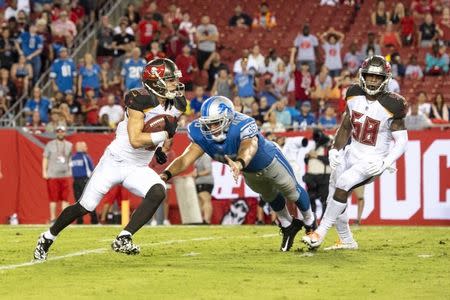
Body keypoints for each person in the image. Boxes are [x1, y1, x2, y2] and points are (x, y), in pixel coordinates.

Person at [33, 58, 187, 260]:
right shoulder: (139, 99)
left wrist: (160, 146)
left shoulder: (177, 104)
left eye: (174, 79)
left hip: (138, 166)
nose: (175, 83)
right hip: (115, 161)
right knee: (85, 206)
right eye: (169, 79)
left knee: (158, 191)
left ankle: (124, 237)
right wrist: (163, 137)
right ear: (155, 81)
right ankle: (47, 237)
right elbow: (135, 140)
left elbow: (165, 127)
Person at [160, 95, 316, 252]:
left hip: (270, 161)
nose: (211, 128)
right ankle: (288, 225)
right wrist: (166, 174)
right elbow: (185, 159)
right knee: (269, 196)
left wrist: (240, 163)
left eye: (216, 123)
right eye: (208, 123)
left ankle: (310, 223)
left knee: (292, 191)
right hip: (248, 171)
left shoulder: (242, 123)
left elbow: (249, 146)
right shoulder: (201, 133)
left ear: (227, 118)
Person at [302, 55, 408, 250]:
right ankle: (346, 240)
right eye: (369, 76)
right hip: (352, 152)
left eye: (377, 77)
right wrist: (335, 149)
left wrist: (386, 162)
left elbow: (402, 142)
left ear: (386, 79)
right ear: (362, 76)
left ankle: (319, 232)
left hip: (373, 159)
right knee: (333, 191)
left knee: (343, 183)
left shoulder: (394, 104)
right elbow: (345, 127)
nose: (373, 80)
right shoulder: (353, 93)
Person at [42, 126, 73, 223]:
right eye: (58, 131)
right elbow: (45, 158)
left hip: (65, 175)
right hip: (53, 175)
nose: (60, 133)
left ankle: (63, 220)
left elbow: (70, 160)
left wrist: (71, 171)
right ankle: (52, 218)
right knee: (53, 198)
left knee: (65, 198)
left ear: (65, 132)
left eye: (62, 131)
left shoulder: (69, 145)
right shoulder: (50, 144)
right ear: (56, 133)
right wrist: (44, 171)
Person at [303, 129, 332, 219]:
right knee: (310, 198)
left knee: (325, 200)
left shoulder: (329, 147)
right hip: (311, 176)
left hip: (324, 176)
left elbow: (330, 161)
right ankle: (313, 218)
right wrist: (307, 157)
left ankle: (325, 219)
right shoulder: (312, 146)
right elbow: (308, 162)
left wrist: (317, 156)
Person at [71, 141, 98, 224]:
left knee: (79, 201)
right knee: (87, 200)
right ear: (81, 147)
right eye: (85, 146)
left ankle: (85, 220)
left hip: (79, 181)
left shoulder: (73, 157)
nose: (86, 148)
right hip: (83, 181)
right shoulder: (85, 157)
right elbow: (92, 169)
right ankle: (93, 220)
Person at [192, 153, 214, 224]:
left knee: (206, 199)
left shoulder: (205, 157)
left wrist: (198, 174)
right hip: (199, 182)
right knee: (200, 201)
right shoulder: (197, 157)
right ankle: (201, 219)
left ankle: (207, 220)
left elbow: (208, 170)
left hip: (205, 181)